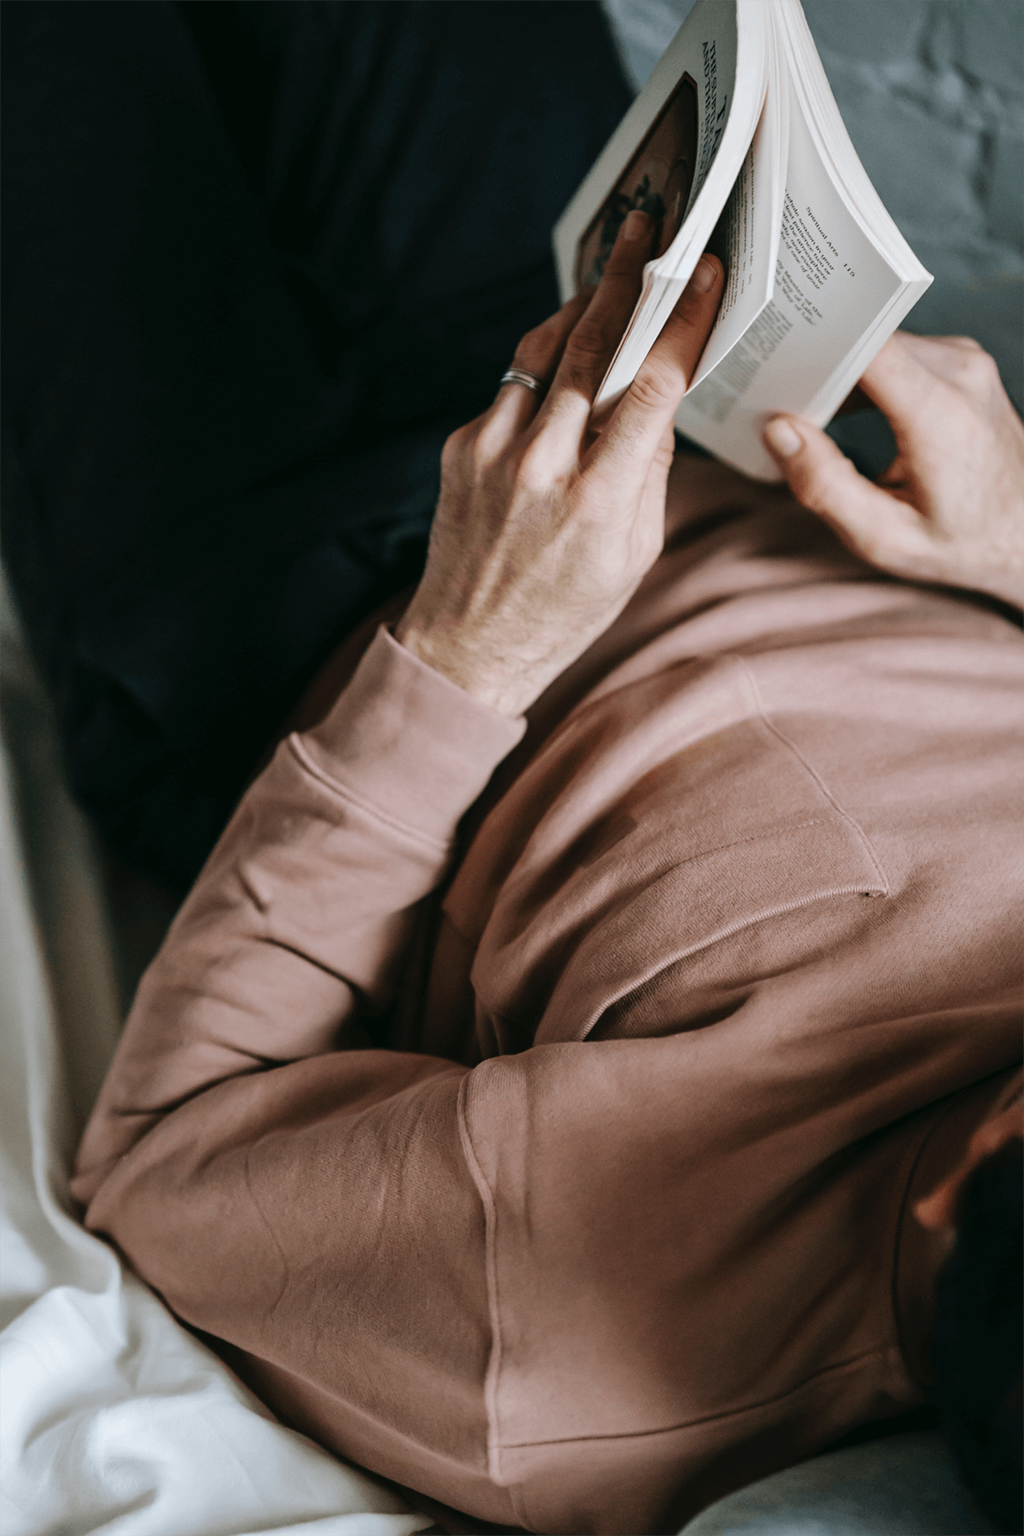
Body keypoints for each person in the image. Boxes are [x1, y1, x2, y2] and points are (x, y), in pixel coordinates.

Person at [5, 5, 1022, 1534]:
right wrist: (1014, 536)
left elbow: (165, 1159)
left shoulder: (548, 1354)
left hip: (288, 602)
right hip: (639, 365)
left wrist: (464, 653)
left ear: (955, 1194)